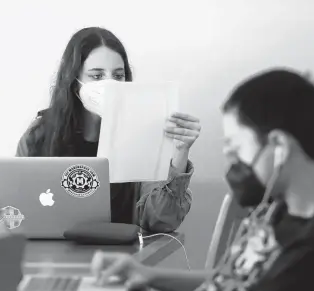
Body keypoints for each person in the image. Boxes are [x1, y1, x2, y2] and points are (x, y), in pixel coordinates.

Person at [91, 68, 314, 291]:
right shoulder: (288, 212)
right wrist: (145, 274)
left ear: (279, 146)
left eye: (235, 147)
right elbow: (229, 285)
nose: (230, 162)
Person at [16, 27, 201, 233]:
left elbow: (160, 220)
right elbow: (16, 206)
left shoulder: (142, 134)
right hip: (50, 254)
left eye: (118, 75)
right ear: (74, 81)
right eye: (97, 76)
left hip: (118, 258)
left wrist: (180, 153)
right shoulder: (39, 135)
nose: (110, 85)